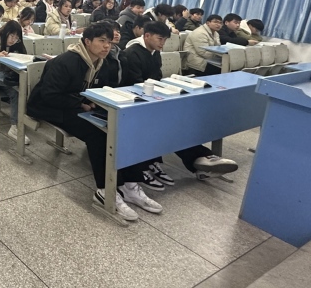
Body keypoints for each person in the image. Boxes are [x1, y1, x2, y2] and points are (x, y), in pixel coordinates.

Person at [27, 23, 161, 221]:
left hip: (77, 105)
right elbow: (49, 95)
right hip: (50, 107)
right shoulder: (66, 61)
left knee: (121, 127)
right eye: (102, 41)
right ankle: (105, 190)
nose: (107, 46)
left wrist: (93, 102)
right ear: (87, 41)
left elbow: (101, 89)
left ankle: (129, 185)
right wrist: (81, 103)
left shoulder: (101, 62)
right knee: (98, 134)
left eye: (109, 42)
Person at [120, 21, 239, 185]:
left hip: (152, 99)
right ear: (147, 36)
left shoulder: (154, 52)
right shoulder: (132, 53)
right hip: (133, 103)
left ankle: (201, 159)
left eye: (165, 40)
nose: (162, 43)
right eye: (160, 39)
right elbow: (134, 83)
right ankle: (195, 158)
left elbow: (157, 77)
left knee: (179, 121)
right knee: (167, 125)